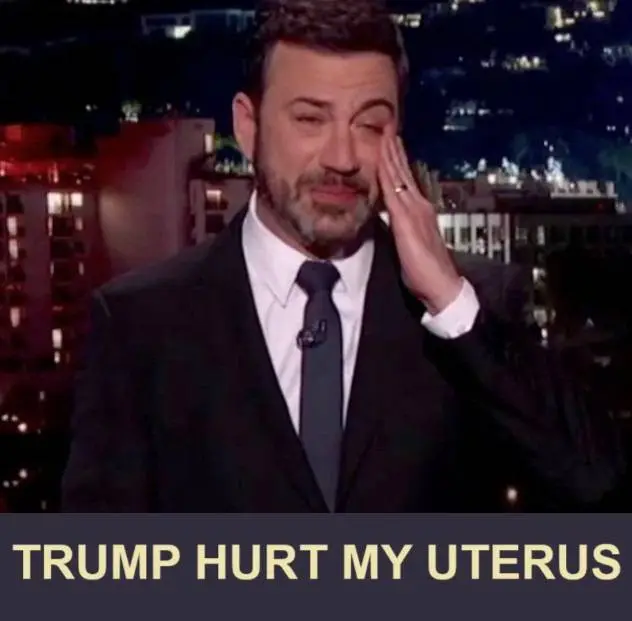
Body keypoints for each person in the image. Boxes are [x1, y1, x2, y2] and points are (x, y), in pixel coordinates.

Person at [61, 0, 625, 512]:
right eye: (310, 119)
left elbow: (596, 485)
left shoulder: (471, 307)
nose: (343, 157)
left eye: (370, 125)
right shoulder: (140, 324)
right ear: (248, 127)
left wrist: (448, 299)